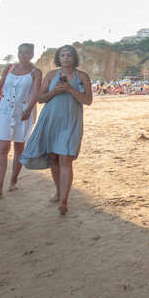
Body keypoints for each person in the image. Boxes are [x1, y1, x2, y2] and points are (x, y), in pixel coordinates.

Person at [19, 45, 92, 214]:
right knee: (53, 157)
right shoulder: (51, 75)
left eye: (69, 55)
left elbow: (88, 100)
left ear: (74, 58)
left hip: (70, 120)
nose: (65, 58)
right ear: (58, 58)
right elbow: (40, 98)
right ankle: (58, 191)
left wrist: (70, 89)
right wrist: (54, 91)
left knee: (65, 158)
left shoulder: (82, 76)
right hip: (50, 119)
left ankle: (64, 200)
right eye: (62, 55)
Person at [0, 43, 42, 197]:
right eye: (20, 52)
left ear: (32, 54)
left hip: (23, 111)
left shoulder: (35, 72)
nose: (23, 55)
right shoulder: (9, 68)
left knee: (19, 146)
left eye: (26, 53)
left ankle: (13, 181)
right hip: (5, 110)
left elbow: (35, 93)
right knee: (3, 146)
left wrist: (29, 109)